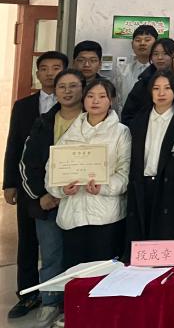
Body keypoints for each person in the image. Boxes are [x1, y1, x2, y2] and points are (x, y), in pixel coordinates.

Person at [20, 68, 83, 328]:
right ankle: (49, 302)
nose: (67, 91)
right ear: (55, 91)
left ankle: (75, 305)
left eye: (73, 86)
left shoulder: (94, 119)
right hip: (48, 203)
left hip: (83, 201)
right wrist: (42, 195)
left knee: (80, 255)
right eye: (62, 87)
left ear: (83, 89)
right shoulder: (43, 122)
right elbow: (28, 163)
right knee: (51, 254)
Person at [45, 77, 131, 269]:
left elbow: (124, 174)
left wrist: (103, 187)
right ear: (83, 99)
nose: (95, 101)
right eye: (90, 96)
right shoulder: (71, 132)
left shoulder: (121, 132)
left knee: (103, 273)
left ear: (111, 100)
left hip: (106, 216)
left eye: (102, 96)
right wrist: (61, 189)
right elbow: (52, 171)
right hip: (72, 216)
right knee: (75, 274)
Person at [4, 52, 63, 319]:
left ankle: (58, 295)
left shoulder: (73, 103)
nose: (50, 73)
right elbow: (14, 143)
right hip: (29, 184)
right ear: (37, 73)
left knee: (58, 242)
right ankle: (27, 295)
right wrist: (9, 183)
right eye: (45, 68)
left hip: (63, 185)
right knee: (27, 239)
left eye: (56, 68)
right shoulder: (23, 105)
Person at [125, 70, 174, 259]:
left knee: (168, 248)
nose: (161, 93)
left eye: (167, 88)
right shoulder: (139, 120)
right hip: (142, 187)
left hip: (171, 191)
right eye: (156, 88)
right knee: (142, 245)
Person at [111, 25, 157, 114]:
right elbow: (117, 100)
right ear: (132, 44)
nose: (142, 43)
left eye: (147, 40)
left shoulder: (161, 71)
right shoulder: (122, 71)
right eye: (138, 40)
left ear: (156, 44)